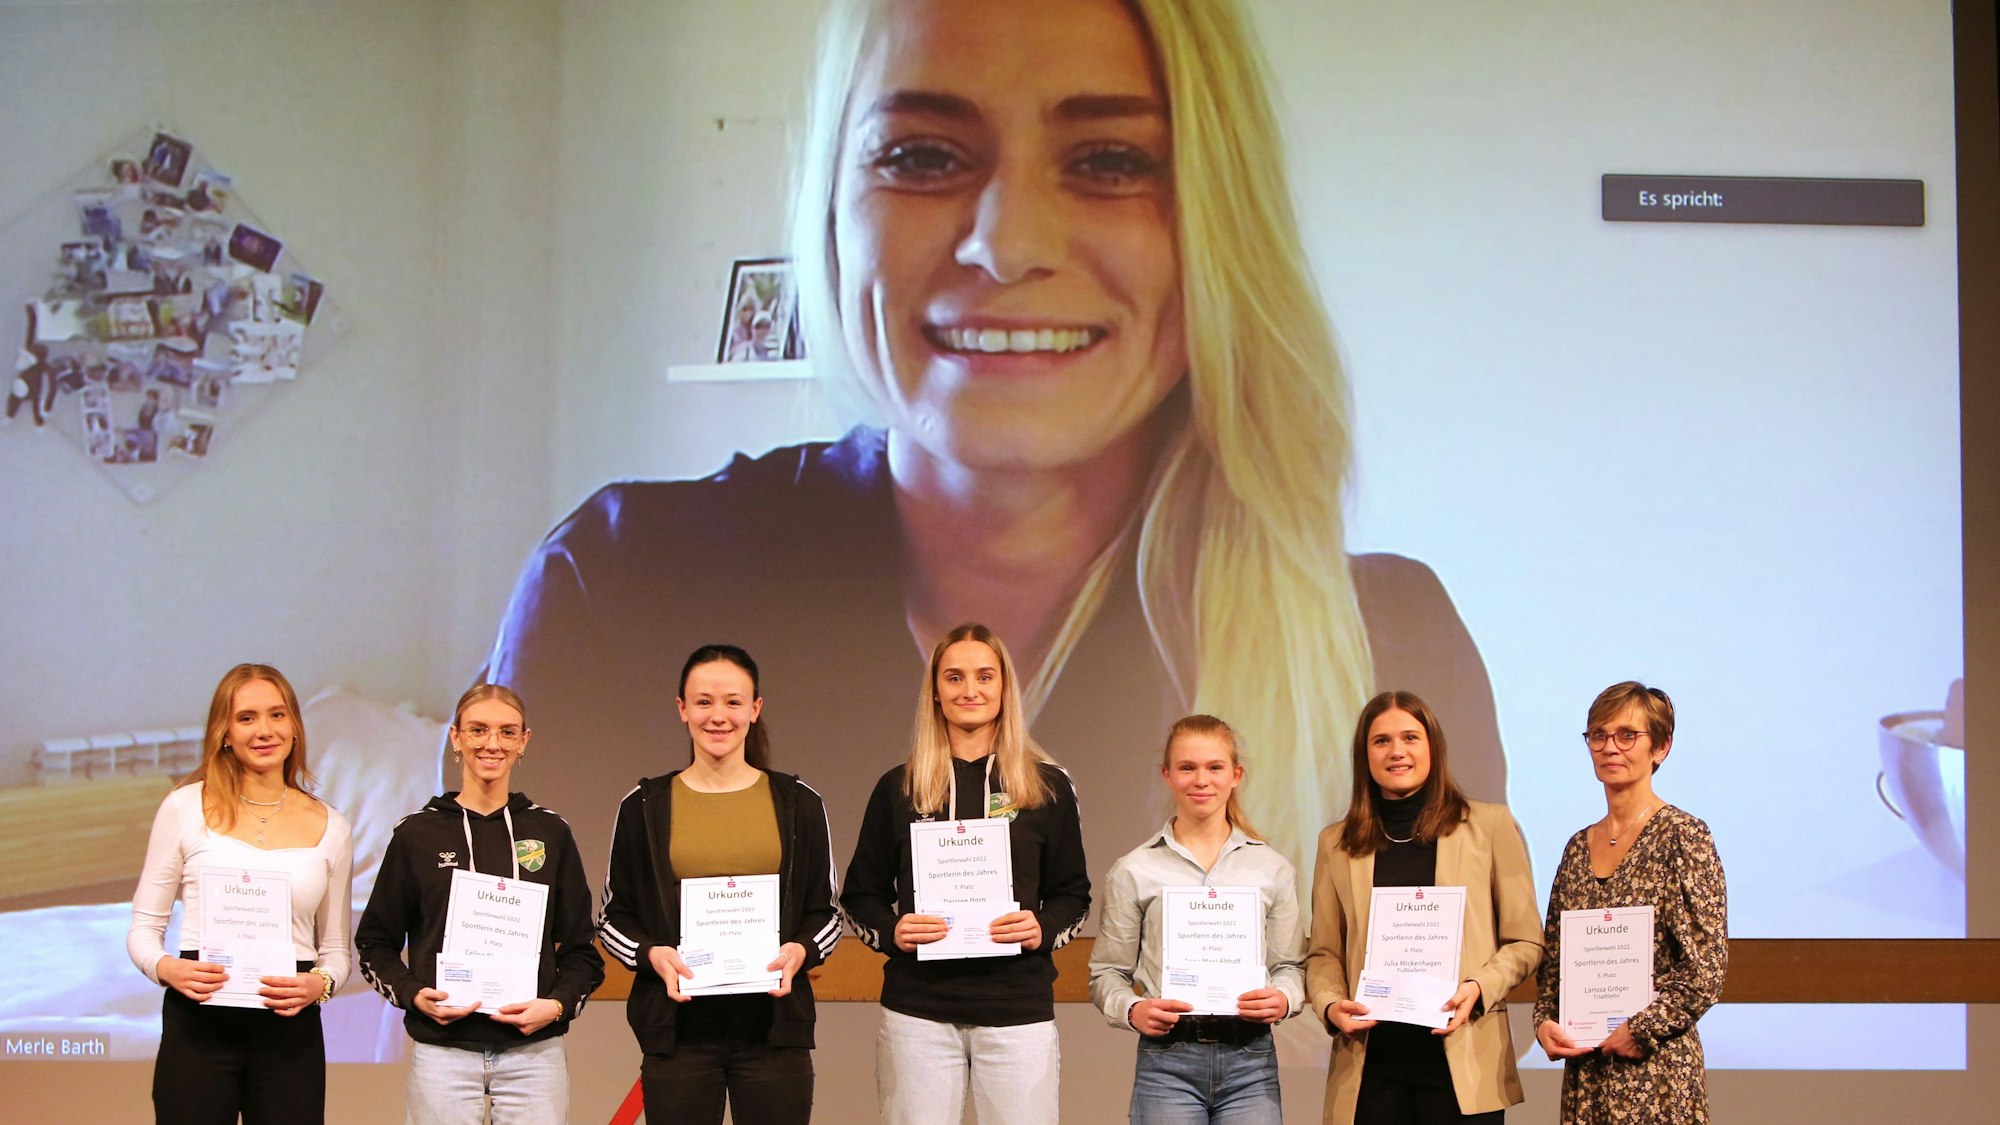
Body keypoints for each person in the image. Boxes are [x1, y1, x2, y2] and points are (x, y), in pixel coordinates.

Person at [480, 0, 1504, 887]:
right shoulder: (620, 587)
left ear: (1218, 224)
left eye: (1109, 163)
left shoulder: (1384, 651)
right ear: (831, 208)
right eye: (922, 157)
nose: (1008, 242)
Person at [841, 623, 1090, 1125]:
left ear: (1004, 688)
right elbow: (860, 895)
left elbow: (1074, 895)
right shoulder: (900, 787)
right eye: (954, 678)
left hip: (1018, 1012)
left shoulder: (1048, 786)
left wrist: (1041, 928)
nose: (969, 690)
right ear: (935, 692)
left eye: (984, 676)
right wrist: (893, 932)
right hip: (918, 1014)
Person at [599, 645, 839, 1125]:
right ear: (682, 709)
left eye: (733, 701)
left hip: (772, 1030)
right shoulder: (644, 806)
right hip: (679, 1031)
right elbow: (611, 917)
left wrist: (801, 952)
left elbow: (827, 912)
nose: (718, 716)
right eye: (703, 702)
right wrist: (651, 955)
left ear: (755, 709)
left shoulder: (798, 804)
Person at [355, 684, 604, 1125]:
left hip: (534, 1055)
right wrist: (415, 996)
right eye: (478, 730)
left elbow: (583, 951)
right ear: (455, 737)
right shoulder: (416, 834)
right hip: (443, 1053)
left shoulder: (551, 832)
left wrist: (557, 1005)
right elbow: (375, 943)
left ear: (524, 741)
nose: (492, 743)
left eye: (507, 732)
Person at [127, 663, 355, 1124]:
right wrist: (167, 968)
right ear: (224, 733)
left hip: (290, 1032)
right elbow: (144, 929)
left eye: (277, 715)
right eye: (246, 717)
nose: (265, 730)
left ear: (294, 727)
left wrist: (322, 984)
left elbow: (334, 950)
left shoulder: (333, 826)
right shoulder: (184, 806)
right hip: (200, 1025)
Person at [1305, 691, 1542, 1125]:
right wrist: (1330, 1004)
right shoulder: (1335, 843)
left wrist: (1478, 987)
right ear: (1365, 755)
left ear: (1432, 746)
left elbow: (1525, 941)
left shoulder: (1489, 826)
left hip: (1463, 1065)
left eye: (1410, 737)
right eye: (1381, 741)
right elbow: (1323, 953)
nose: (1397, 751)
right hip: (1370, 1069)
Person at [1088, 715, 1303, 1124]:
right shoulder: (1133, 870)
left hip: (1250, 1060)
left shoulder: (1272, 868)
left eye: (1214, 767)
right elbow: (1107, 973)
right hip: (1167, 1061)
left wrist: (1284, 998)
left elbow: (1289, 967)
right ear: (1167, 775)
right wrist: (1132, 1009)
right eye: (1187, 768)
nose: (1201, 780)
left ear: (1236, 775)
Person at [1533, 682, 1727, 1124]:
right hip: (1588, 1073)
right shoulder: (1577, 848)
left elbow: (1706, 969)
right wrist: (1545, 1020)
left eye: (1626, 735)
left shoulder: (1684, 836)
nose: (1609, 747)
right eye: (1597, 735)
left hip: (1655, 1072)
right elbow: (1555, 964)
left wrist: (1641, 1029)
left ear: (1660, 747)